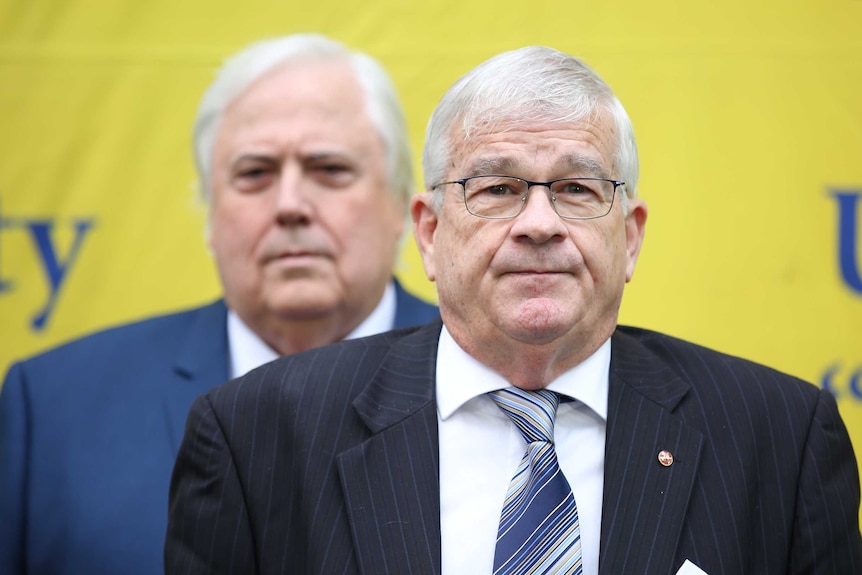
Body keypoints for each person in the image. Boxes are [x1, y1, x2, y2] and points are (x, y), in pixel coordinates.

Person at [164, 45, 862, 575]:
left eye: (577, 188)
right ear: (430, 233)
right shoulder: (255, 436)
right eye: (497, 188)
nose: (538, 223)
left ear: (631, 236)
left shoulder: (780, 437)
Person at [0, 34, 439, 575]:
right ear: (209, 213)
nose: (290, 206)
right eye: (254, 173)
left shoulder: (499, 384)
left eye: (329, 169)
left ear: (401, 205)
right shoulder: (54, 407)